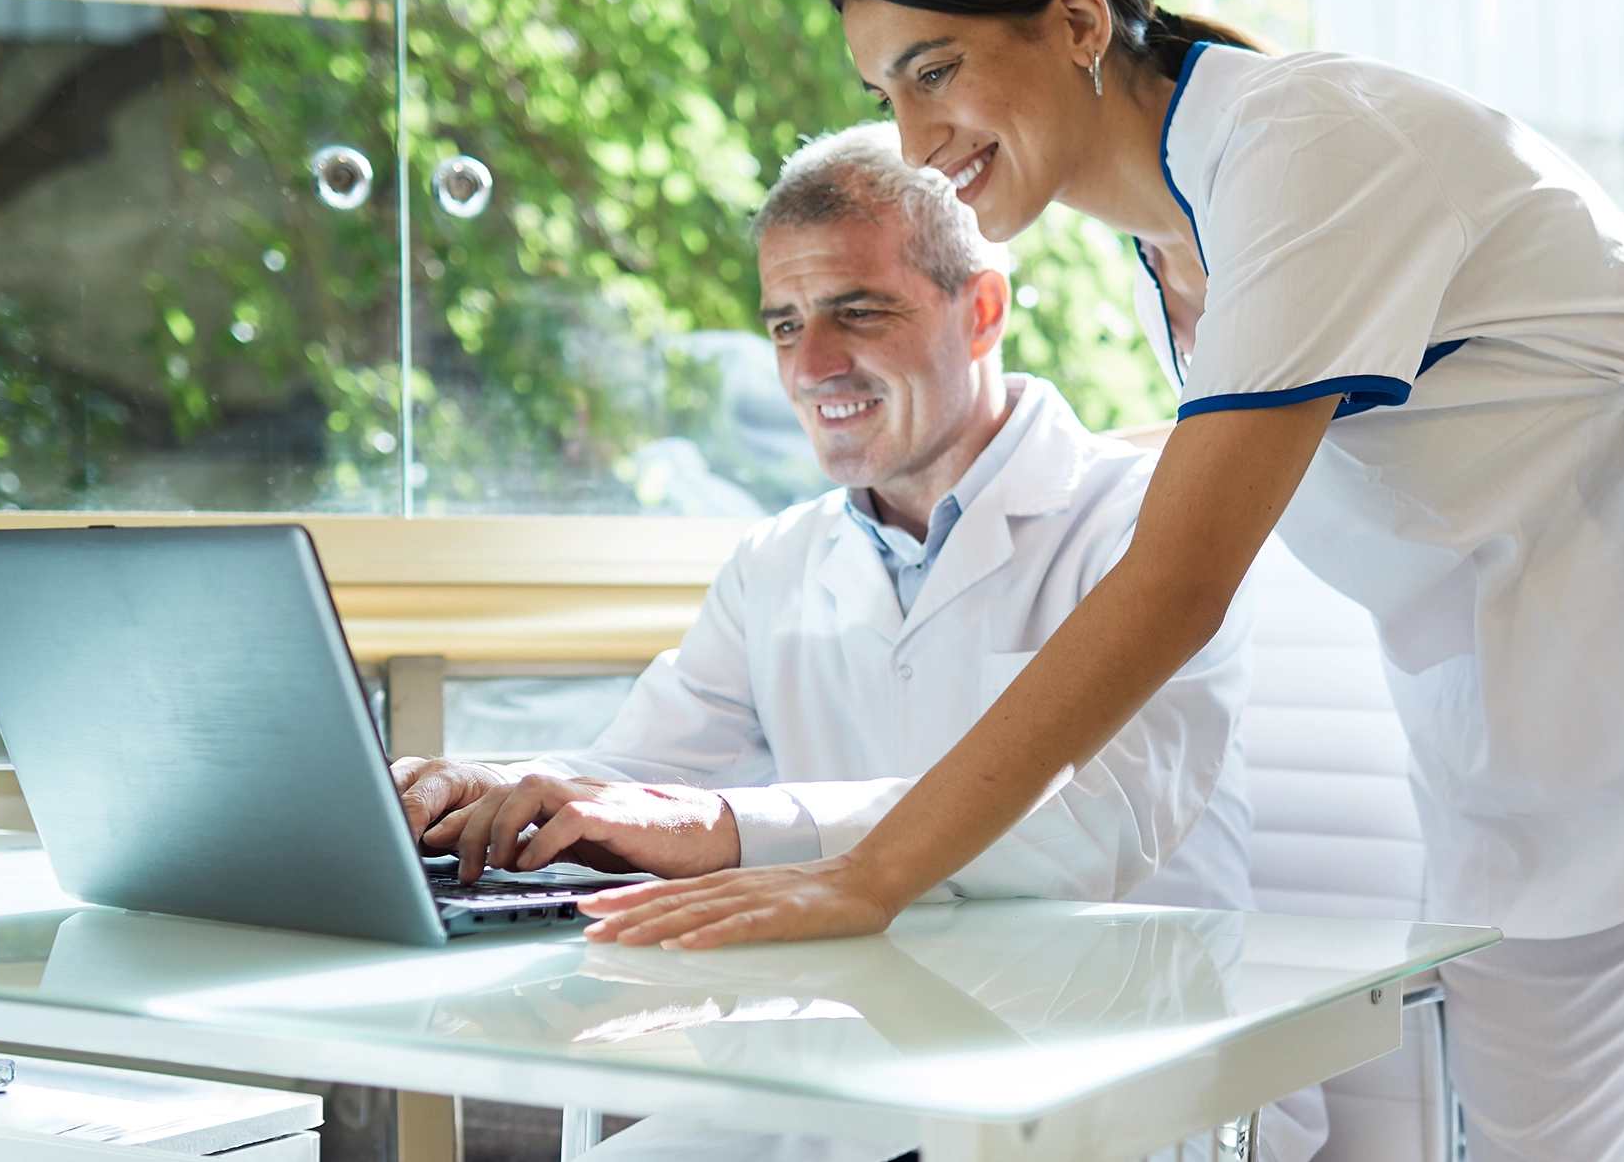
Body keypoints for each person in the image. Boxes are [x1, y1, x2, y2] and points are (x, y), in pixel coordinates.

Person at [570, 0, 1624, 1162]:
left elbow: (1179, 582)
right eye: (885, 90)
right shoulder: (1169, 243)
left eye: (934, 67)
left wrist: (866, 876)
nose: (913, 137)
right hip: (1522, 763)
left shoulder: (1310, 146)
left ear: (1075, 20)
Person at [393, 122, 1327, 1162]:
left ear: (980, 310)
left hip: (1108, 1080)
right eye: (784, 323)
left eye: (857, 312)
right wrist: (488, 789)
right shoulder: (776, 562)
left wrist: (725, 825)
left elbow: (1093, 826)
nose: (811, 364)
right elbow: (635, 779)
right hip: (844, 1075)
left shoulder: (1146, 527)